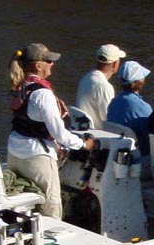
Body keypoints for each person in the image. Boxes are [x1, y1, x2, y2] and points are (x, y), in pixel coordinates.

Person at [6, 42, 95, 219]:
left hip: (14, 152)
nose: (52, 64)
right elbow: (59, 133)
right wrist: (84, 144)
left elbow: (29, 123)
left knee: (27, 205)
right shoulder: (43, 94)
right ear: (38, 65)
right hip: (36, 157)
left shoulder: (19, 85)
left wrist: (55, 145)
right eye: (49, 61)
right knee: (51, 206)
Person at [106, 60, 153, 155]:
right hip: (139, 155)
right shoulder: (143, 107)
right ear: (140, 81)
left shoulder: (113, 103)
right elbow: (151, 135)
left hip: (116, 151)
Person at [75, 44, 123, 129]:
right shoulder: (104, 86)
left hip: (80, 129)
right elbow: (108, 119)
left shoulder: (86, 77)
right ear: (115, 64)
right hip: (96, 135)